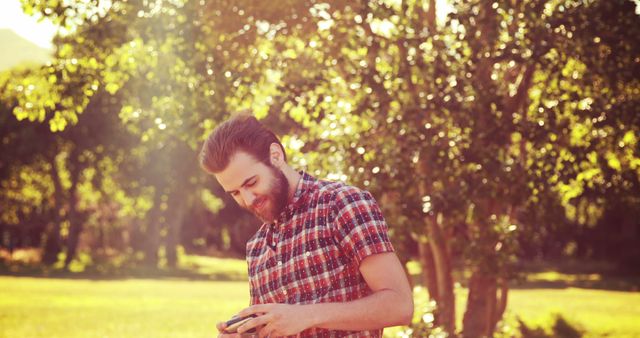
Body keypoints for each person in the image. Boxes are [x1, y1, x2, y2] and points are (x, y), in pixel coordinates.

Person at [199, 114, 413, 338]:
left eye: (251, 183)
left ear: (275, 155)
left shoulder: (341, 204)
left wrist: (307, 315)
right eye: (235, 193)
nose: (248, 199)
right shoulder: (257, 247)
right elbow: (278, 328)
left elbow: (400, 305)